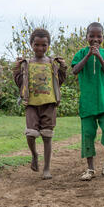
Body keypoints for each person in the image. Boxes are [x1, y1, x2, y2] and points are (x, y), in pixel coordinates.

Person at [13, 28, 67, 180]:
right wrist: (16, 69)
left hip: (49, 104)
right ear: (31, 44)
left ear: (48, 45)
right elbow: (19, 83)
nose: (40, 48)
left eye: (44, 45)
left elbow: (60, 81)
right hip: (31, 104)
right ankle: (34, 154)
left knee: (47, 136)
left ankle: (47, 168)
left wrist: (63, 67)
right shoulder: (27, 63)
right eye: (37, 45)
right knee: (31, 134)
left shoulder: (51, 63)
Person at [71, 22, 104, 181]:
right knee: (88, 134)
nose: (95, 39)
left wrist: (98, 56)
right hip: (87, 103)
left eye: (99, 36)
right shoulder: (80, 53)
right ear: (87, 37)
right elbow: (75, 70)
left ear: (103, 37)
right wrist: (89, 55)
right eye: (92, 36)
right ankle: (90, 169)